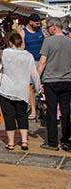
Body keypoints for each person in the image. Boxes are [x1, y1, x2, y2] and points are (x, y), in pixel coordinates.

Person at [0, 32, 40, 151]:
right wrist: (38, 89)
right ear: (21, 43)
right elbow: (34, 74)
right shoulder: (28, 56)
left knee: (9, 116)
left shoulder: (3, 53)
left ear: (10, 42)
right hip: (22, 90)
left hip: (6, 89)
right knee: (22, 115)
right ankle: (24, 141)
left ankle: (11, 143)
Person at [37, 17, 71, 151]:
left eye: (47, 28)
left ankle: (52, 142)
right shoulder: (69, 42)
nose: (47, 30)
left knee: (51, 111)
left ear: (54, 27)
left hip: (50, 80)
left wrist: (36, 77)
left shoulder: (48, 41)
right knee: (66, 110)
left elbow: (42, 62)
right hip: (67, 80)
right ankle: (66, 140)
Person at [20, 13, 45, 119]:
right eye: (36, 23)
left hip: (42, 60)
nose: (38, 24)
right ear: (30, 22)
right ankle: (33, 111)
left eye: (39, 22)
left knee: (44, 85)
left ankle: (44, 108)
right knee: (32, 87)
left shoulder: (42, 31)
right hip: (31, 62)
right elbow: (22, 47)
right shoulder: (23, 32)